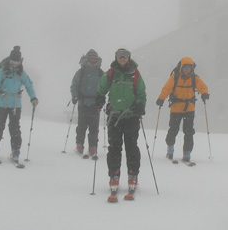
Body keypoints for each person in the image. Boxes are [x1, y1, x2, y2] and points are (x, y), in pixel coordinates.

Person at [96, 48, 146, 201]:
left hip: (131, 116)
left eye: (125, 56)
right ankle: (114, 175)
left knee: (131, 146)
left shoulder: (136, 74)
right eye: (119, 56)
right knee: (114, 147)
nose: (122, 58)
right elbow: (101, 89)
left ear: (129, 58)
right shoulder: (110, 74)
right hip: (115, 116)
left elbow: (141, 92)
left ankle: (133, 174)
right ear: (116, 57)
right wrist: (99, 98)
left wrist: (140, 106)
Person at [0, 46, 38, 164]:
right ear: (9, 60)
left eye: (16, 62)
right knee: (0, 125)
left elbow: (29, 85)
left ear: (20, 62)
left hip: (16, 105)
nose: (14, 64)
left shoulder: (22, 73)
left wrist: (33, 98)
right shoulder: (3, 71)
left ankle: (15, 151)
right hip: (2, 103)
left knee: (15, 128)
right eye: (12, 62)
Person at [155, 56, 209, 163]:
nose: (187, 70)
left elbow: (202, 86)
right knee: (173, 130)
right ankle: (170, 149)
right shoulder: (174, 78)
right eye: (185, 67)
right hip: (176, 108)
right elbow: (166, 88)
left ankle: (187, 152)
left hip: (189, 108)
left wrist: (205, 93)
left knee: (189, 131)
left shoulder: (194, 78)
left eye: (189, 68)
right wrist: (161, 98)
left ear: (192, 68)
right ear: (181, 68)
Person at [70, 49, 103, 159]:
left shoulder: (100, 73)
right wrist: (74, 96)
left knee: (94, 127)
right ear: (87, 60)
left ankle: (93, 146)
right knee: (82, 126)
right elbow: (74, 85)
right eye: (90, 60)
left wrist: (102, 98)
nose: (92, 62)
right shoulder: (81, 72)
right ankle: (80, 145)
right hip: (83, 103)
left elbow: (105, 87)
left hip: (95, 104)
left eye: (94, 60)